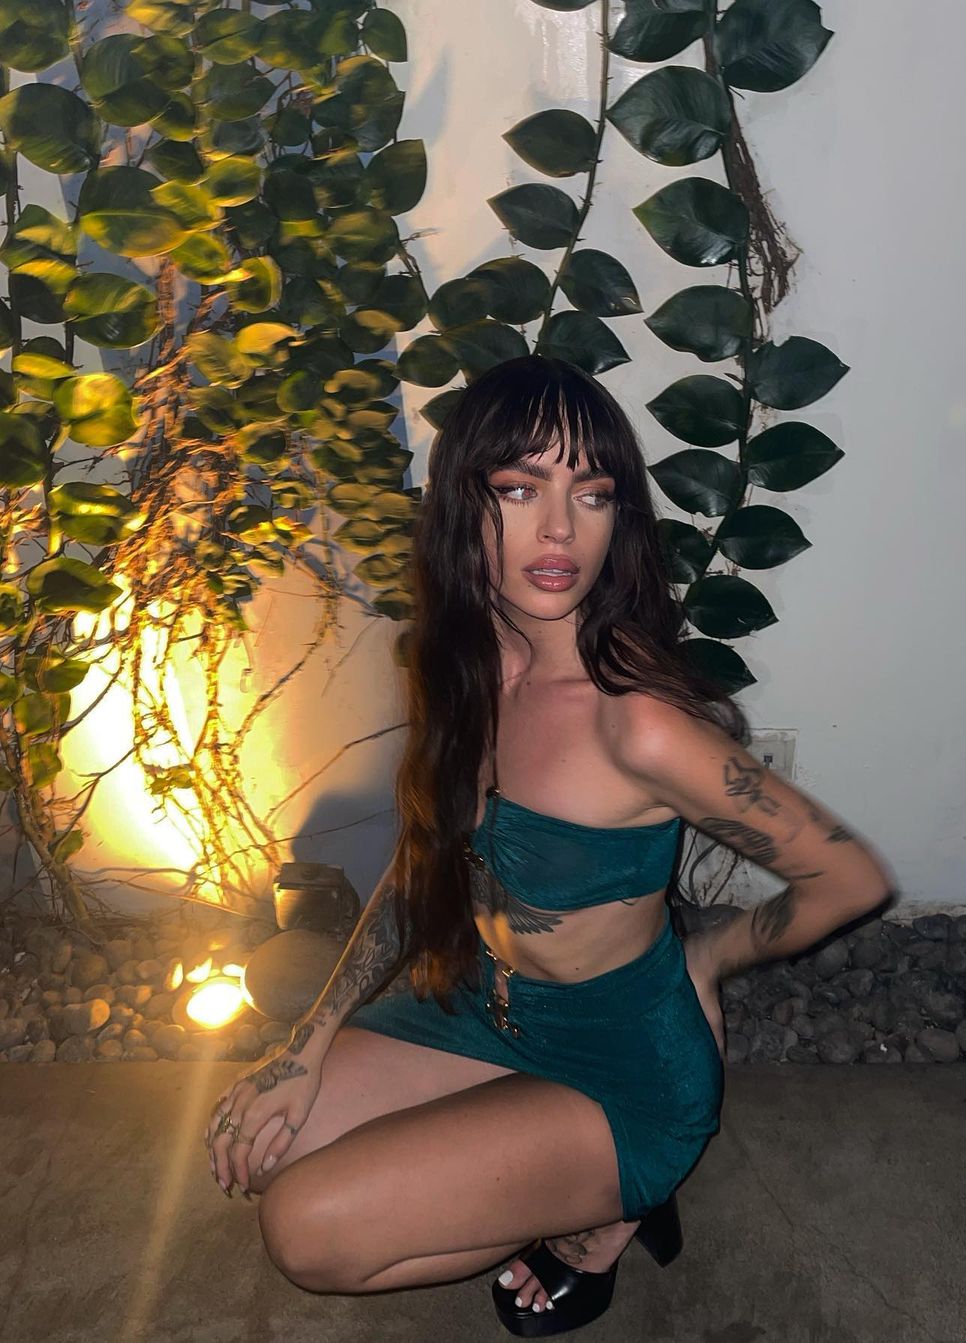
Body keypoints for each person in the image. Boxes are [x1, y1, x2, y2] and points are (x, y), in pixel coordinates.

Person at [206, 354, 894, 1336]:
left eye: (593, 493)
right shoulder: (467, 661)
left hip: (623, 1068)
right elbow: (423, 854)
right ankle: (527, 1155)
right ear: (466, 504)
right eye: (521, 488)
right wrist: (304, 1044)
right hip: (484, 1010)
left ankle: (603, 1208)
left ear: (620, 517)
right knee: (271, 1144)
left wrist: (706, 956)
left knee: (304, 1230)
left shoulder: (637, 724)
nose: (561, 528)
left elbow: (849, 877)